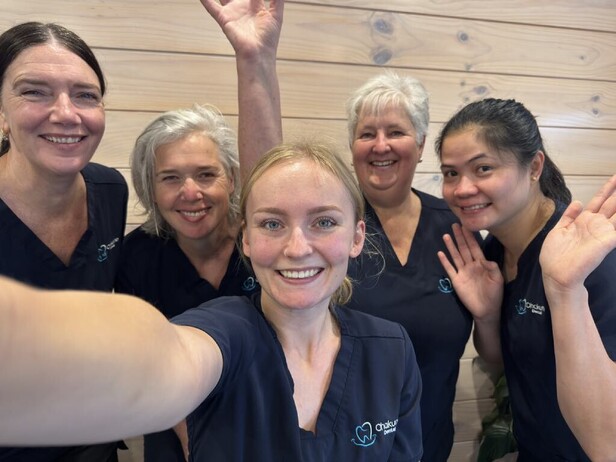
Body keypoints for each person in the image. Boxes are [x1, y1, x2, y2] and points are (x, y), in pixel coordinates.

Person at [0, 141, 424, 462]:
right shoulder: (225, 332)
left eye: (324, 222)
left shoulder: (391, 349)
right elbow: (166, 358)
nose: (297, 248)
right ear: (247, 238)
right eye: (272, 224)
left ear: (356, 237)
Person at [201, 1, 471, 459]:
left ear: (422, 142)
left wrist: (488, 313)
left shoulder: (454, 225)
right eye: (366, 133)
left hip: (423, 442)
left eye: (396, 132)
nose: (380, 145)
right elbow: (270, 183)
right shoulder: (325, 230)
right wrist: (256, 61)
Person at [435, 98, 616, 461]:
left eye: (483, 168)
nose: (462, 188)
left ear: (534, 167)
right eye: (451, 173)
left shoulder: (587, 259)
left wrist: (565, 291)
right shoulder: (493, 251)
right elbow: (503, 357)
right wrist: (487, 316)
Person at [0, 22, 127, 461]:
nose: (66, 113)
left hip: (92, 437)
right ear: (2, 113)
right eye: (34, 92)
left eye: (85, 95)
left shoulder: (110, 190)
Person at [114, 104, 261, 461]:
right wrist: (194, 442)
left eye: (206, 174)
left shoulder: (263, 246)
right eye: (171, 178)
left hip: (266, 415)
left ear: (232, 178)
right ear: (149, 187)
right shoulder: (135, 257)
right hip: (174, 418)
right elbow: (149, 365)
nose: (191, 192)